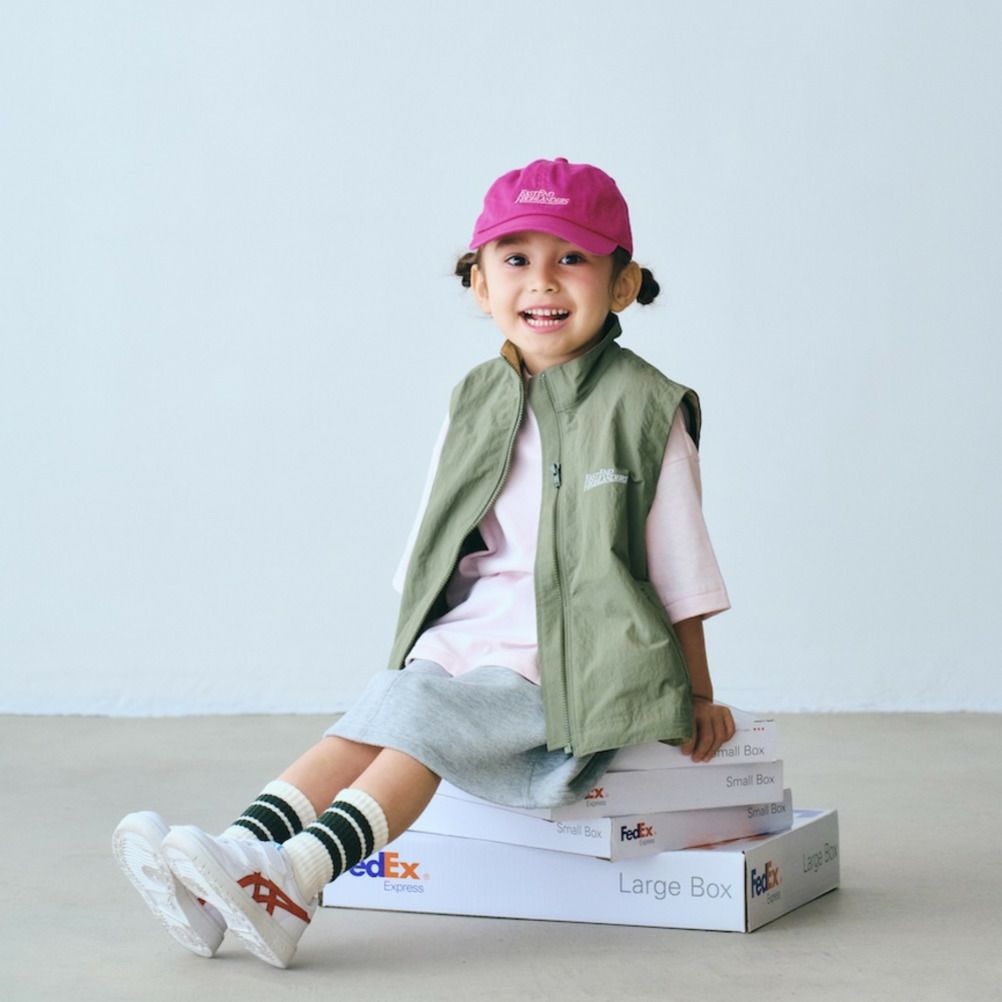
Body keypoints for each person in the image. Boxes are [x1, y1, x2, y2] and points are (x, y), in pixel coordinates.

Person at [113, 157, 736, 969]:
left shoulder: (647, 408)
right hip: (470, 635)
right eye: (516, 259)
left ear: (622, 284)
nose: (543, 282)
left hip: (567, 659)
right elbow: (435, 540)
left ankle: (296, 882)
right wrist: (425, 641)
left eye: (572, 258)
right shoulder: (477, 397)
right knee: (373, 716)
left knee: (420, 733)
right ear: (480, 284)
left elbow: (682, 568)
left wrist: (696, 694)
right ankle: (223, 872)